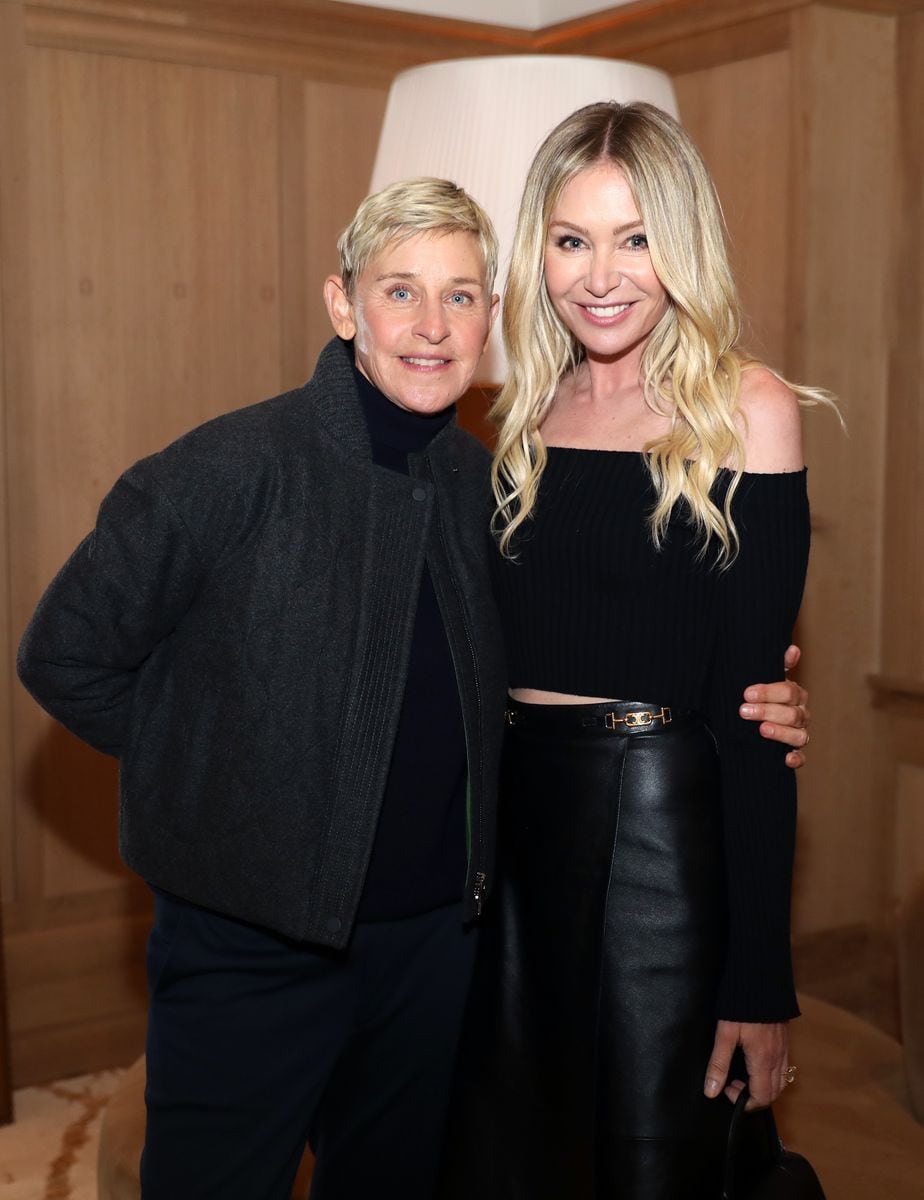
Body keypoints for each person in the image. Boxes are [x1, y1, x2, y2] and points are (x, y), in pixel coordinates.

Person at [17, 176, 808, 1200]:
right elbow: (63, 653)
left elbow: (585, 640)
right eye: (400, 293)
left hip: (442, 951)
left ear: (492, 318)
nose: (432, 328)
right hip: (252, 948)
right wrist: (225, 779)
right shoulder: (227, 468)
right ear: (343, 305)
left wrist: (749, 699)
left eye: (464, 296)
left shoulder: (491, 485)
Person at [440, 102, 829, 1200]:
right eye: (571, 240)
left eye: (636, 237)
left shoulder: (745, 410)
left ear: (683, 246)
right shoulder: (517, 414)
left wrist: (758, 979)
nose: (600, 274)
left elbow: (757, 718)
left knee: (647, 1164)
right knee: (506, 1153)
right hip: (512, 835)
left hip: (659, 839)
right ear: (540, 252)